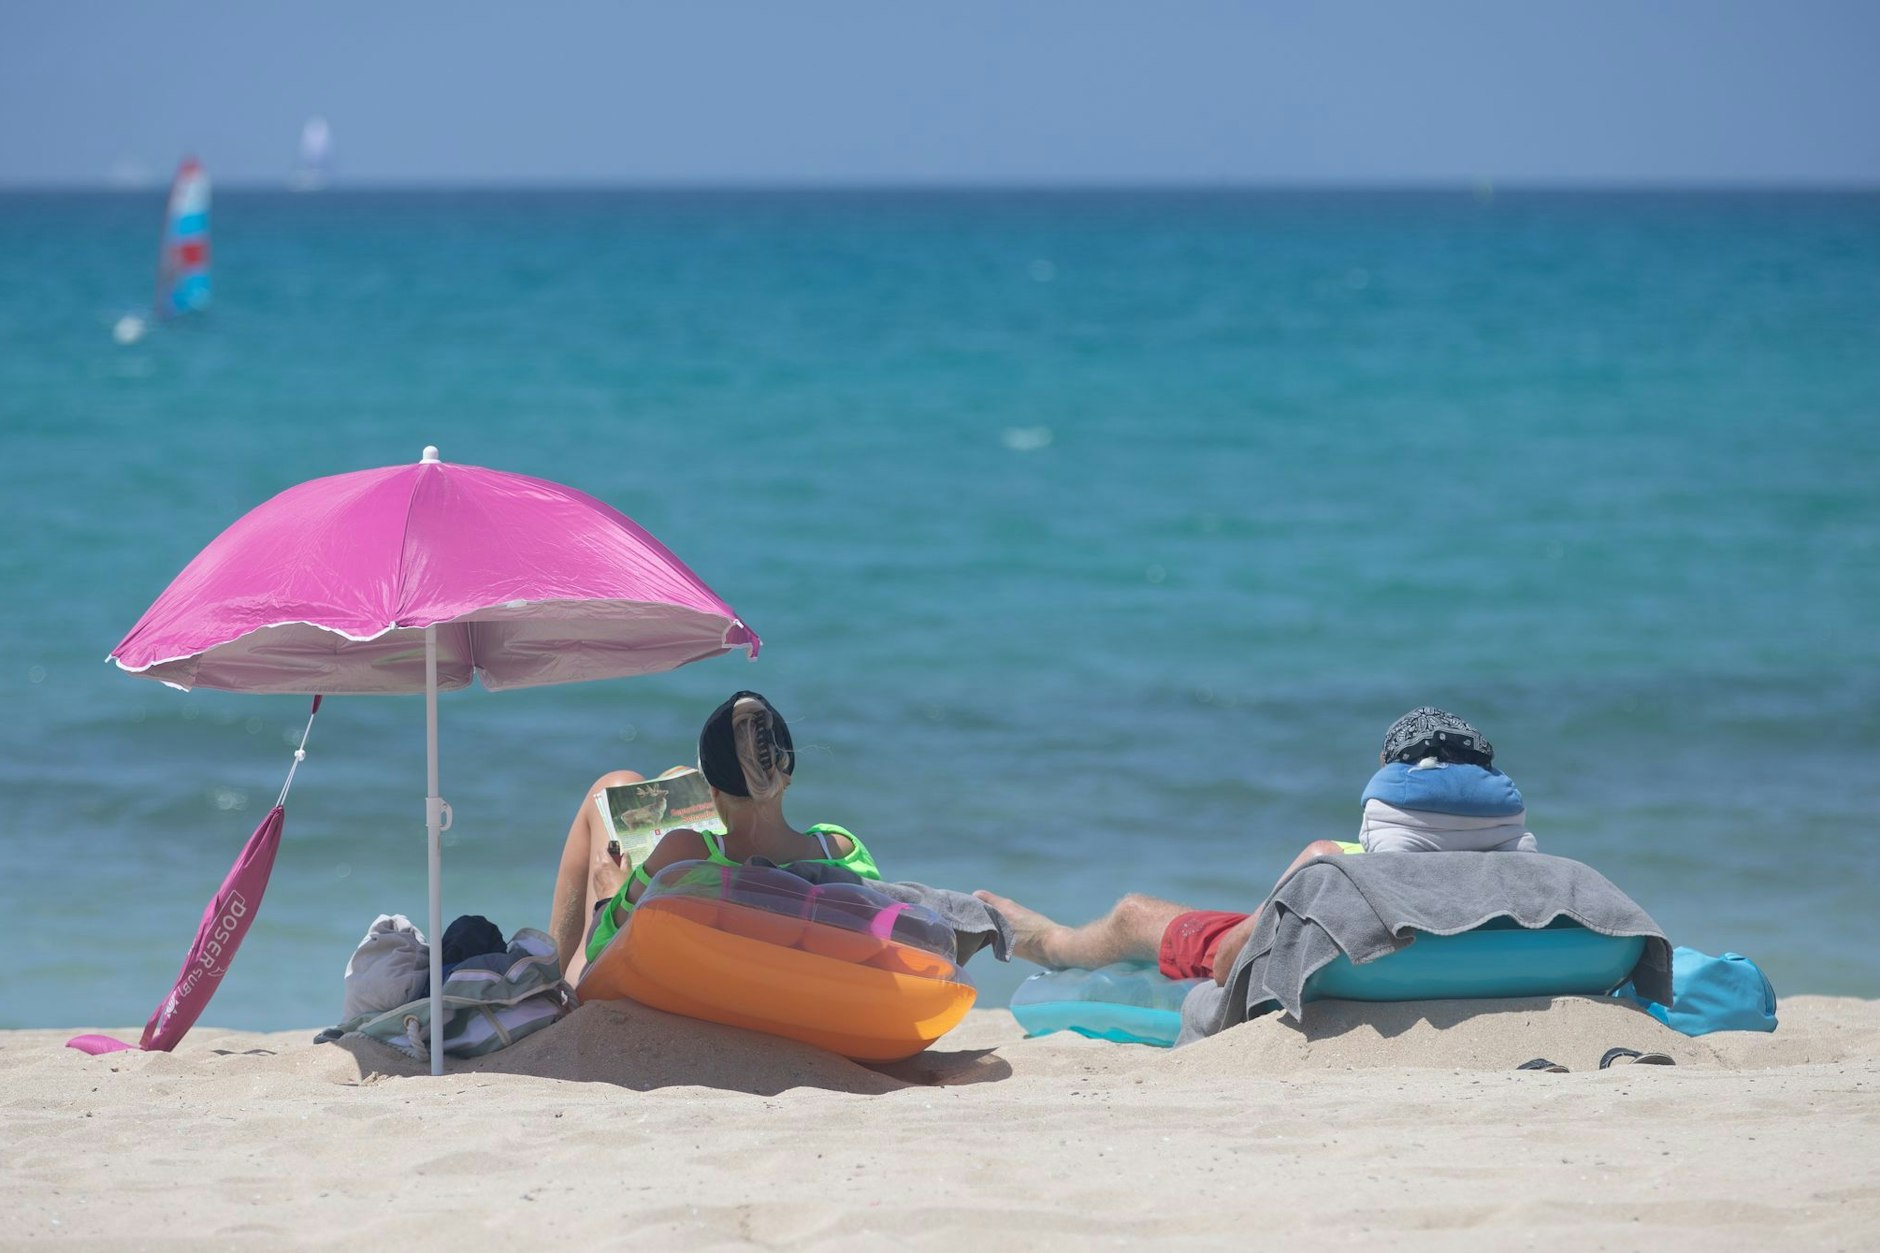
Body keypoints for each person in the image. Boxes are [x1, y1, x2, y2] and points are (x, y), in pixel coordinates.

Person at [974, 707, 1536, 987]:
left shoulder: (1333, 861)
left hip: (1328, 947)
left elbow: (1226, 967)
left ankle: (1050, 943)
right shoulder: (1531, 874)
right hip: (1454, 951)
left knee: (1133, 915)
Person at [546, 690, 881, 984]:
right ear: (786, 775)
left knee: (610, 786)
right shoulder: (839, 847)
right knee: (672, 776)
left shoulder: (683, 851)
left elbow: (600, 944)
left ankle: (551, 982)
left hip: (668, 986)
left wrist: (609, 892)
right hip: (795, 984)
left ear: (712, 790)